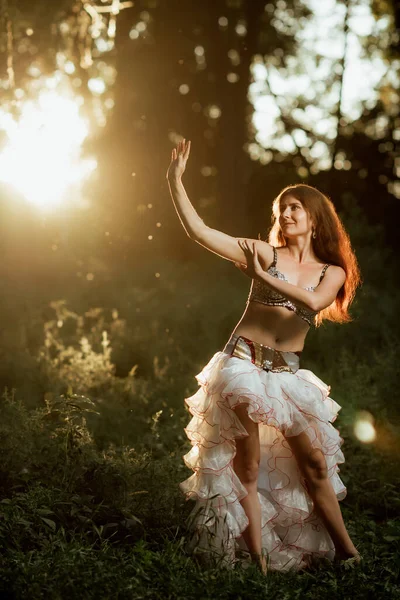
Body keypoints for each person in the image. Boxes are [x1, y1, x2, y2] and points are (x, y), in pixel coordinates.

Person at [166, 139, 362, 574]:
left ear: (315, 218)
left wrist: (261, 277)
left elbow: (313, 304)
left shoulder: (332, 272)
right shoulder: (263, 252)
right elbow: (201, 232)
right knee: (248, 465)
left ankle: (349, 553)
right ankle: (257, 564)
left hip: (287, 374)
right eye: (281, 209)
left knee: (313, 462)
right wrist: (175, 183)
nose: (285, 214)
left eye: (294, 207)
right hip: (242, 363)